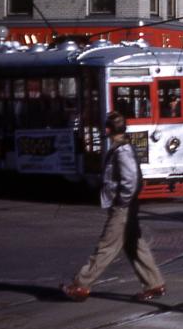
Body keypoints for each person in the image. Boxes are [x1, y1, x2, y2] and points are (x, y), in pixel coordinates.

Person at [62, 111, 166, 302]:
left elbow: (131, 179)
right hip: (127, 206)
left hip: (122, 208)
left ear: (108, 130)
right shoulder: (122, 148)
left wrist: (122, 202)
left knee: (106, 247)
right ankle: (154, 283)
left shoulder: (122, 151)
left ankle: (81, 285)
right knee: (135, 245)